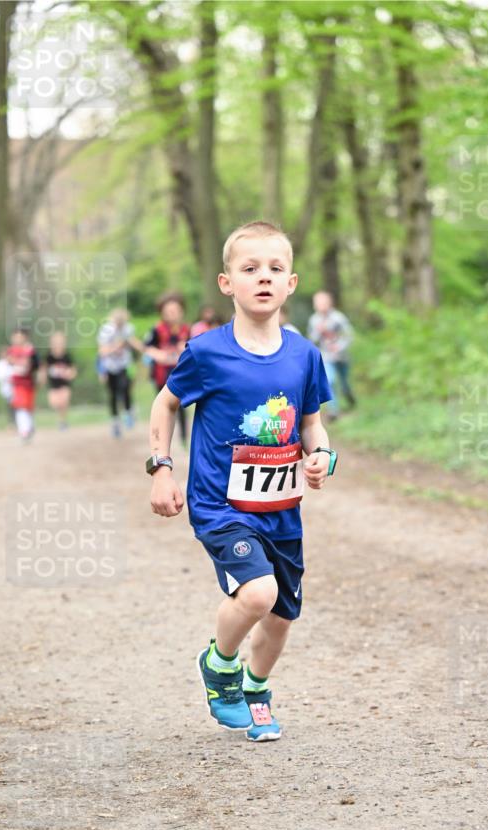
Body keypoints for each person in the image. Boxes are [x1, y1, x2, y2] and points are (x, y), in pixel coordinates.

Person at [147, 220, 335, 742]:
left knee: (279, 617)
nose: (263, 278)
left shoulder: (304, 356)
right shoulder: (206, 352)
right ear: (227, 282)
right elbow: (165, 404)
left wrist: (322, 457)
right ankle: (219, 664)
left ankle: (256, 689)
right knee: (257, 593)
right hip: (221, 505)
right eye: (250, 269)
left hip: (281, 510)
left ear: (291, 283)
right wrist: (161, 469)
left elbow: (311, 424)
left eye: (275, 269)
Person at [145, 292, 191, 445]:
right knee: (162, 407)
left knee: (182, 406)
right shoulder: (157, 330)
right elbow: (148, 348)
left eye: (175, 311)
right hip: (161, 374)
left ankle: (184, 438)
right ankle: (161, 440)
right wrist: (159, 355)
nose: (172, 314)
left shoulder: (186, 329)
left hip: (181, 374)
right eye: (168, 312)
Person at [307, 290, 356, 418]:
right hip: (326, 356)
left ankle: (349, 396)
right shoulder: (314, 320)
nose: (320, 305)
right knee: (330, 380)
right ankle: (333, 410)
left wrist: (339, 347)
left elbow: (349, 335)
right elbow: (312, 340)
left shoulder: (338, 317)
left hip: (342, 356)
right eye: (317, 302)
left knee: (344, 382)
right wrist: (318, 331)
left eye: (323, 301)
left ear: (330, 303)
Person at [97, 308, 143, 438]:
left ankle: (128, 412)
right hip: (109, 366)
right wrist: (115, 348)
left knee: (125, 388)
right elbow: (102, 352)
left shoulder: (128, 328)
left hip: (124, 364)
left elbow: (133, 341)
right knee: (113, 394)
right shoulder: (106, 330)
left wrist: (144, 348)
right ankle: (115, 422)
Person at [6, 328, 40, 442]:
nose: (18, 339)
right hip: (17, 384)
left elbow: (35, 366)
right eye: (16, 336)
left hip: (28, 383)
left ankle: (29, 428)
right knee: (20, 406)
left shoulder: (30, 351)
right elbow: (9, 363)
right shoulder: (11, 351)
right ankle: (24, 431)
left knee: (27, 407)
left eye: (20, 336)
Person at [43, 331, 77, 430]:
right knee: (54, 403)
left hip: (64, 384)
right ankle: (60, 418)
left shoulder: (67, 356)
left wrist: (70, 374)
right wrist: (43, 378)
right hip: (53, 385)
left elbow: (73, 369)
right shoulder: (49, 356)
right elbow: (44, 368)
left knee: (64, 401)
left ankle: (63, 421)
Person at [0, 347, 14, 424]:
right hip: (7, 389)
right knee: (10, 405)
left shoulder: (13, 362)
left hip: (16, 388)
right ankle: (11, 422)